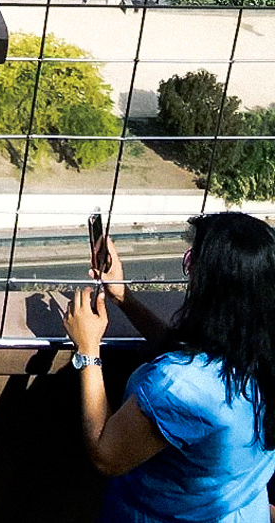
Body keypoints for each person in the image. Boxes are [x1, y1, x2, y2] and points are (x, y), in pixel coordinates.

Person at [63, 213, 275, 523]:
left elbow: (105, 454)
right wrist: (124, 299)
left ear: (213, 283)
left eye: (192, 259)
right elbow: (199, 360)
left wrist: (87, 350)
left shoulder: (176, 388)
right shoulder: (258, 351)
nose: (187, 265)